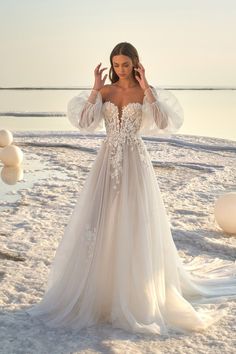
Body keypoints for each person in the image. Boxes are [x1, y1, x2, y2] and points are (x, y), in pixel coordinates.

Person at [26, 42, 236, 335]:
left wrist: (147, 87)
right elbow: (85, 122)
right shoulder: (106, 92)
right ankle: (100, 288)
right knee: (101, 218)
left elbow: (164, 122)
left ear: (135, 64)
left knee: (135, 219)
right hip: (107, 160)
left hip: (136, 162)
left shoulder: (144, 92)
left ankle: (135, 289)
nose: (120, 69)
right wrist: (95, 87)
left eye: (125, 64)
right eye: (116, 64)